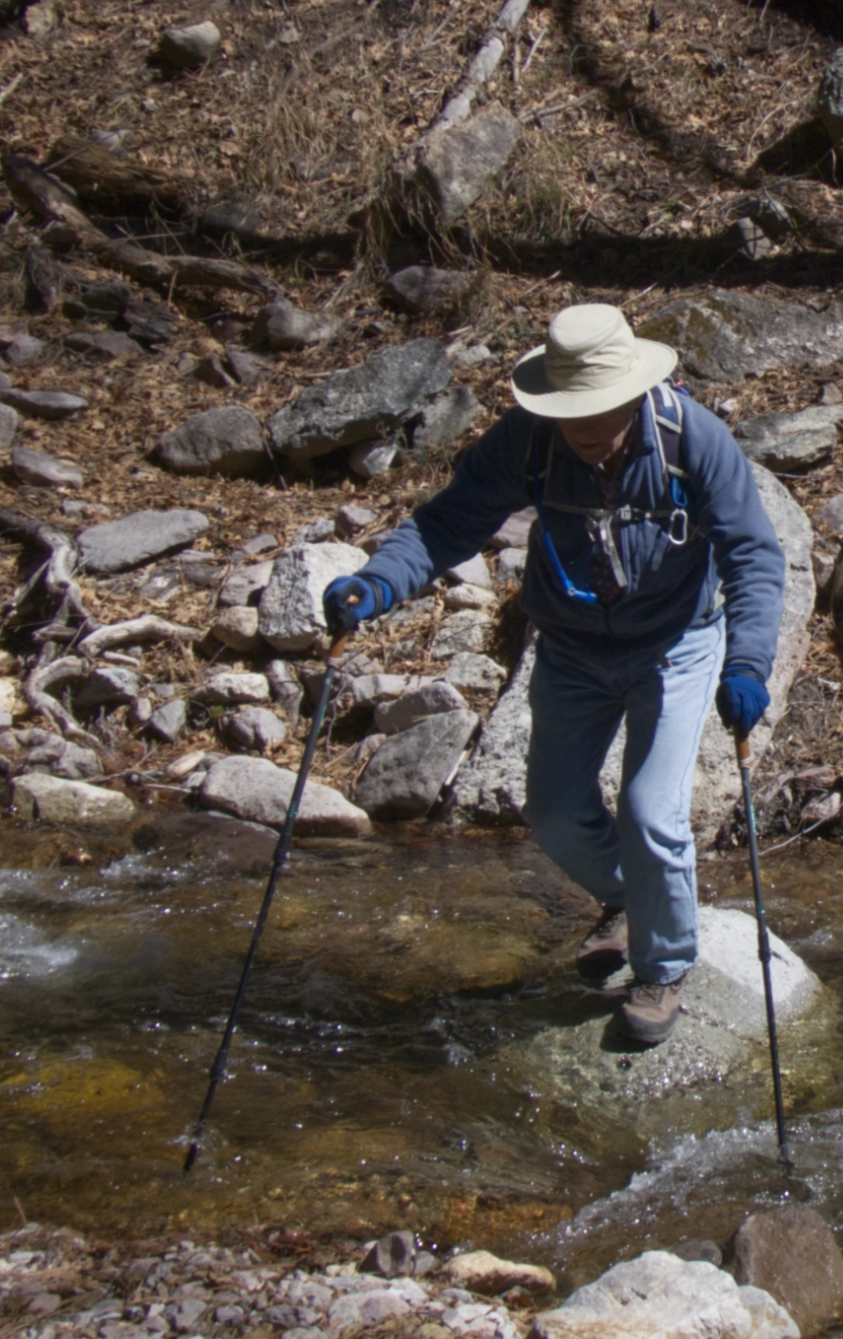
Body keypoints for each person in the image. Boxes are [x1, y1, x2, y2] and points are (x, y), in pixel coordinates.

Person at [323, 303, 787, 1045]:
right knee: (554, 812)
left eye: (600, 407)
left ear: (634, 390)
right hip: (570, 648)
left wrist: (749, 662)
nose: (585, 425)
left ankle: (662, 967)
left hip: (676, 643)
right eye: (571, 408)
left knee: (649, 812)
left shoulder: (693, 440)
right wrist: (377, 581)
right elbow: (447, 522)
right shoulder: (529, 443)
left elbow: (755, 556)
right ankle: (628, 896)